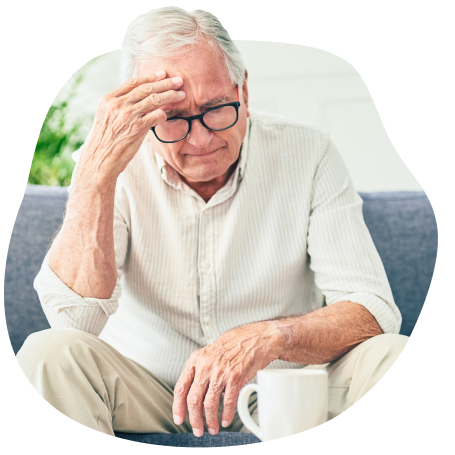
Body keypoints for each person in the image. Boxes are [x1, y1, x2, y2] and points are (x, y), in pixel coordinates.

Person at [17, 7, 409, 437]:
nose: (200, 140)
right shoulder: (109, 166)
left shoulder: (309, 154)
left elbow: (373, 311)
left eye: (217, 108)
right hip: (148, 395)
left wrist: (270, 337)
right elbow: (75, 323)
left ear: (243, 89)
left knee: (390, 354)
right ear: (140, 109)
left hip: (283, 389)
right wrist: (95, 174)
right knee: (47, 354)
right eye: (174, 118)